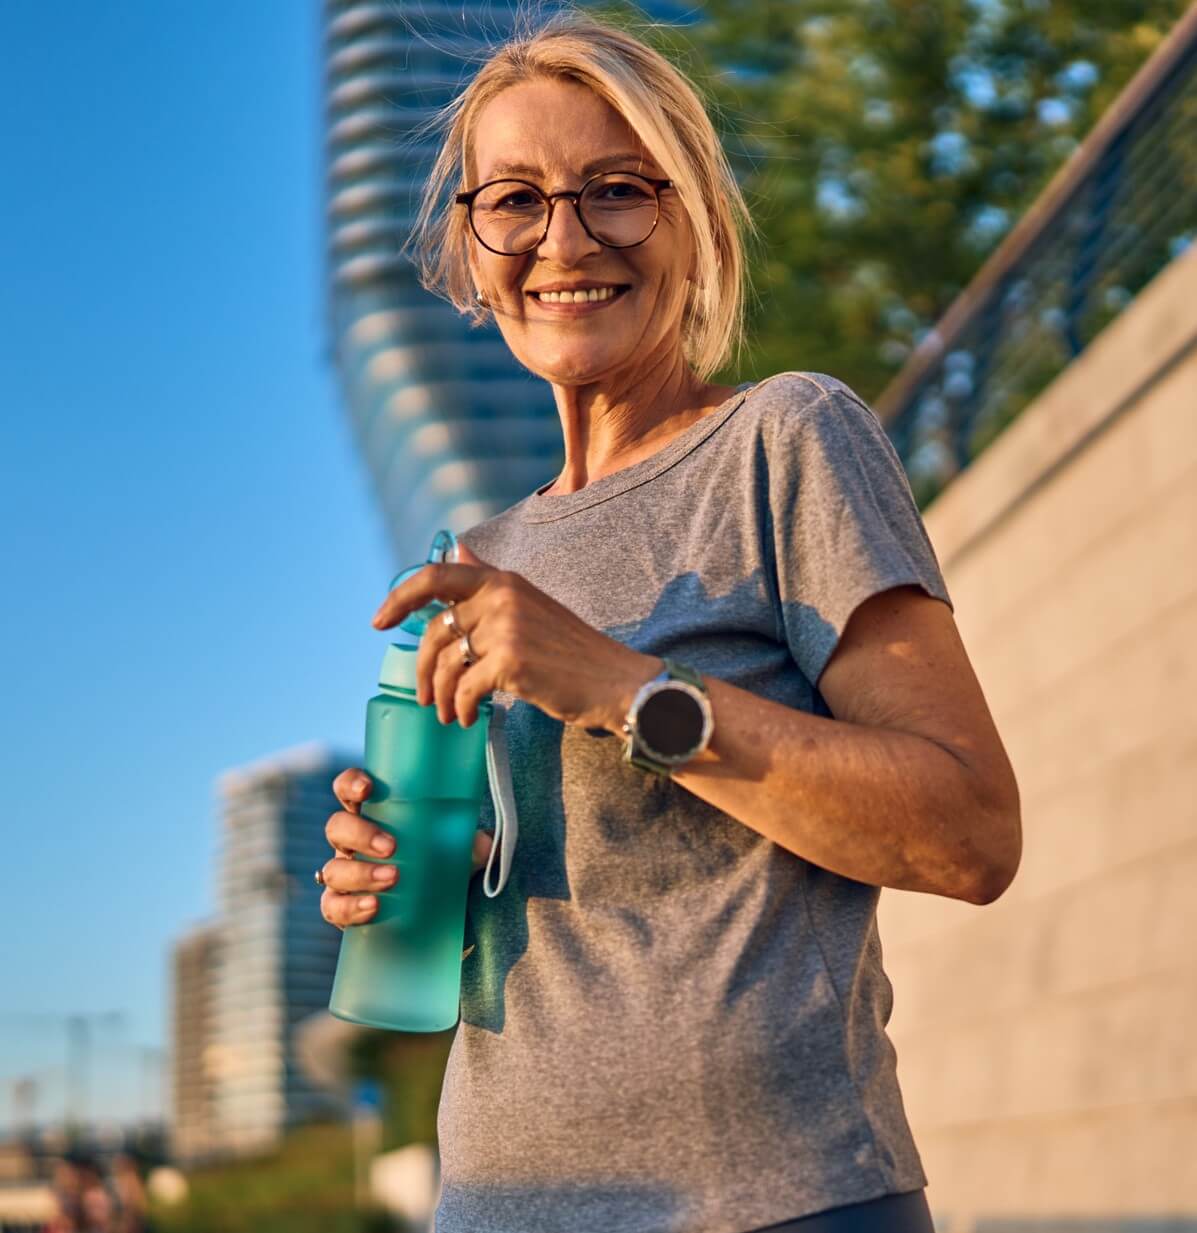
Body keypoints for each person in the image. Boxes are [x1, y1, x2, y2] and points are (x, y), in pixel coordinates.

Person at [316, 9, 1022, 1232]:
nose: (565, 238)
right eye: (516, 200)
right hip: (498, 1200)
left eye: (614, 190)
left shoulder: (786, 438)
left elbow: (967, 833)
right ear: (471, 246)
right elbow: (560, 886)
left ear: (687, 215)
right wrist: (401, 872)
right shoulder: (484, 554)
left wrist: (621, 691)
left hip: (777, 1196)